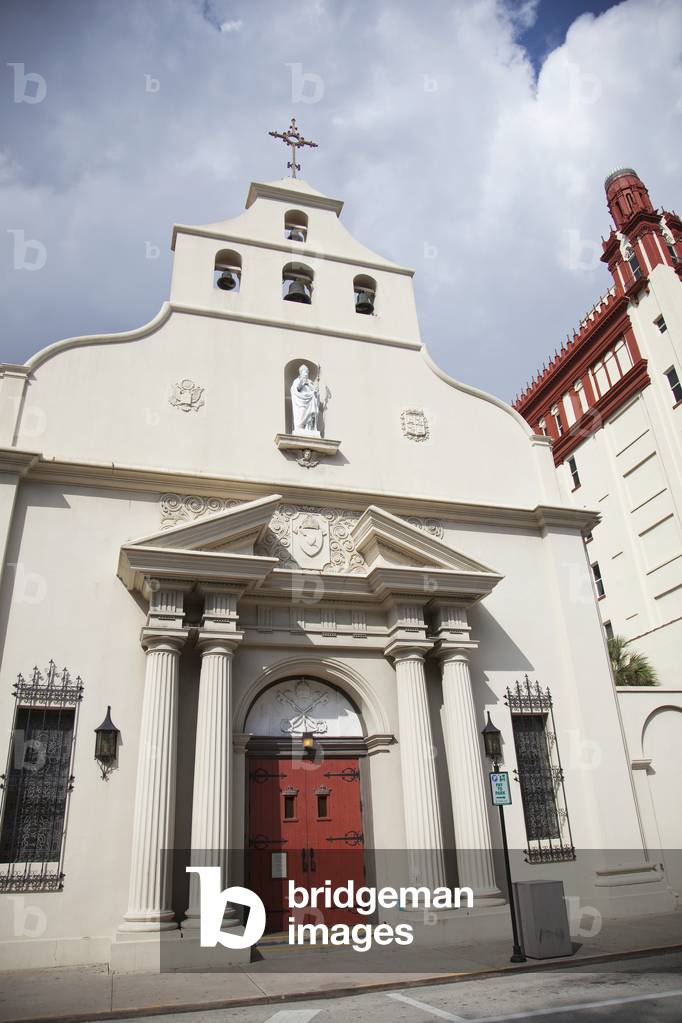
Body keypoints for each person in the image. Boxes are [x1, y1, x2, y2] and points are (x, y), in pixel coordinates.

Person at [291, 364, 321, 433]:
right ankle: (300, 428)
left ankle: (310, 428)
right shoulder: (297, 380)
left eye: (307, 372)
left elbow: (314, 391)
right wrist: (302, 382)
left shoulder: (310, 382)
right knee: (301, 414)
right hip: (301, 402)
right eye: (304, 372)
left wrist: (316, 391)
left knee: (312, 414)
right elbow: (296, 389)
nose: (306, 373)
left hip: (311, 401)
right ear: (301, 373)